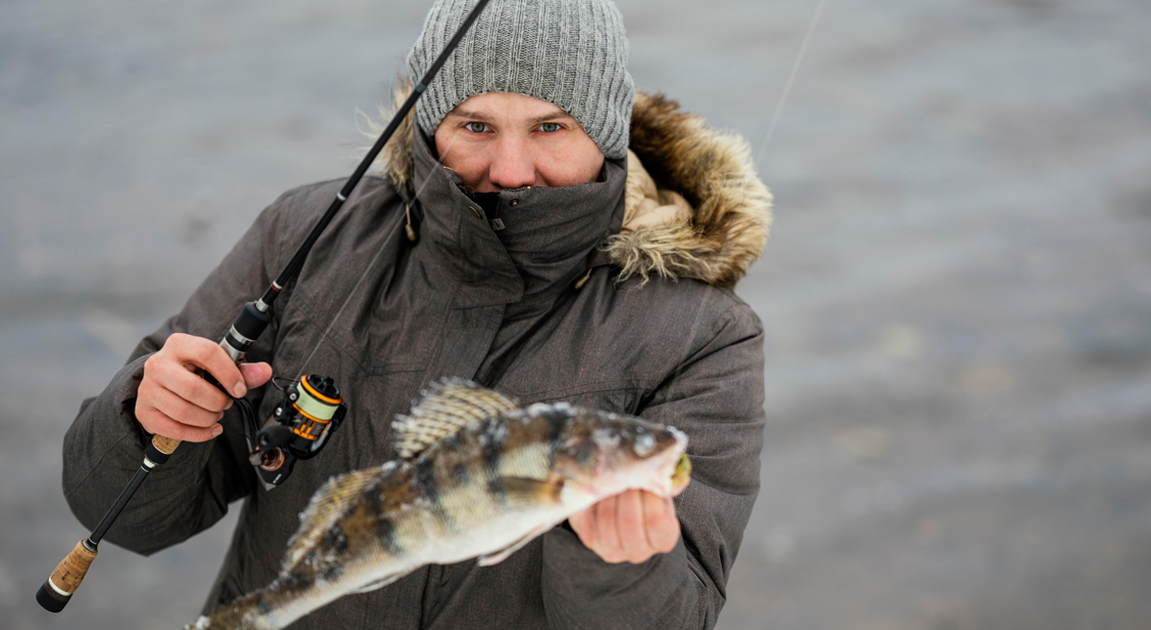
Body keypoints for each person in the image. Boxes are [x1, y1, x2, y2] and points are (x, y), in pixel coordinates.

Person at [60, 0, 772, 627]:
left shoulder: (705, 336)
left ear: (607, 132)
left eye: (552, 127)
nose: (513, 169)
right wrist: (144, 422)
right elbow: (126, 516)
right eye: (476, 125)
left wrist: (623, 568)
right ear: (430, 122)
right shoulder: (301, 236)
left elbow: (676, 618)